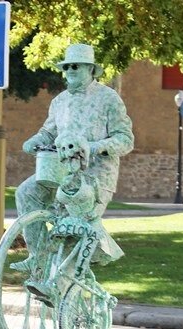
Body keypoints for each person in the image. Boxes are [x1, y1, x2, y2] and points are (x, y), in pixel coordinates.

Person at [15, 43, 134, 270]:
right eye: (67, 66)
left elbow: (126, 140)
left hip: (94, 177)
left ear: (90, 69)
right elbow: (49, 132)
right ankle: (38, 257)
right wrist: (35, 140)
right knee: (25, 192)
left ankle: (64, 289)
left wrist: (94, 146)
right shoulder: (59, 101)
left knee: (70, 233)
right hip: (60, 171)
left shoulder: (109, 98)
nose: (69, 70)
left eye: (75, 66)